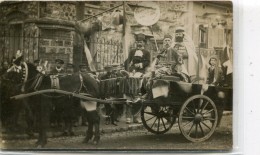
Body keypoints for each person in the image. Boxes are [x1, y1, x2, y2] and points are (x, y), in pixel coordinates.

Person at [124, 33, 151, 124]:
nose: (139, 43)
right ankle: (128, 116)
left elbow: (147, 62)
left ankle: (137, 117)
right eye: (138, 42)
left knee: (138, 95)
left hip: (141, 73)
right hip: (132, 72)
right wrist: (128, 66)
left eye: (141, 42)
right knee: (129, 94)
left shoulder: (147, 53)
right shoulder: (132, 51)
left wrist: (140, 65)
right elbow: (127, 61)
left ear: (144, 43)